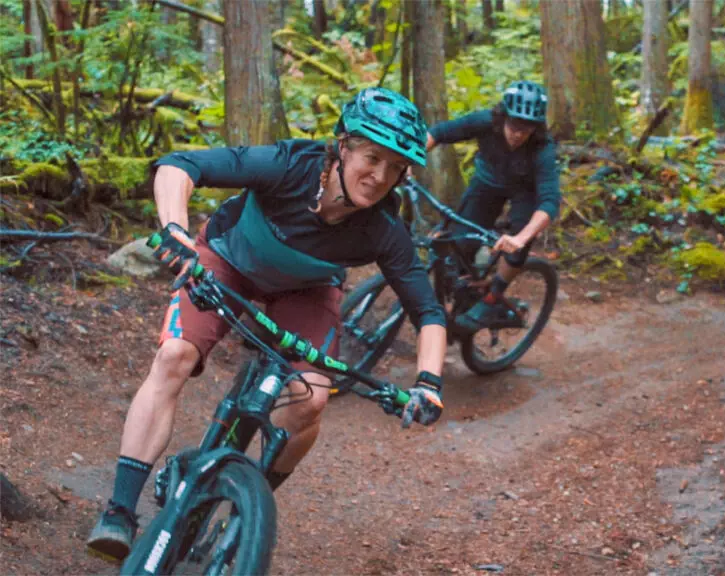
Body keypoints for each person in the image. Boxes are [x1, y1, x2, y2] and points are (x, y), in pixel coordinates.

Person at [86, 87, 448, 561]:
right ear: (343, 146)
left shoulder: (384, 229)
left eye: (395, 167)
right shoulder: (288, 165)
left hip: (306, 293)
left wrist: (428, 382)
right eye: (371, 157)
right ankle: (119, 510)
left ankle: (248, 507)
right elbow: (180, 165)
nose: (379, 177)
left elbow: (428, 311)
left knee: (310, 399)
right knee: (174, 356)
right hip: (228, 258)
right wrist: (175, 230)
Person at [425, 80, 561, 332]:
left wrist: (521, 238)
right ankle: (462, 294)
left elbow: (550, 201)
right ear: (503, 117)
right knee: (459, 243)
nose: (518, 134)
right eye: (514, 125)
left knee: (517, 243)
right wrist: (404, 162)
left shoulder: (543, 148)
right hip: (487, 183)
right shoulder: (486, 122)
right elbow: (439, 132)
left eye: (527, 128)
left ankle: (493, 297)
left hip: (524, 192)